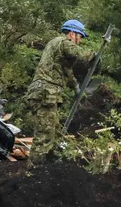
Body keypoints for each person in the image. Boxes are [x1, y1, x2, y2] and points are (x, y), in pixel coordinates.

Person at [24, 20, 95, 164]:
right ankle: (33, 172)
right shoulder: (63, 41)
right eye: (80, 36)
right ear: (72, 33)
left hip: (44, 93)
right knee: (44, 136)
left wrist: (76, 87)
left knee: (54, 132)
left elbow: (66, 71)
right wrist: (94, 56)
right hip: (45, 92)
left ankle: (48, 167)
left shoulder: (57, 48)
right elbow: (79, 54)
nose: (80, 40)